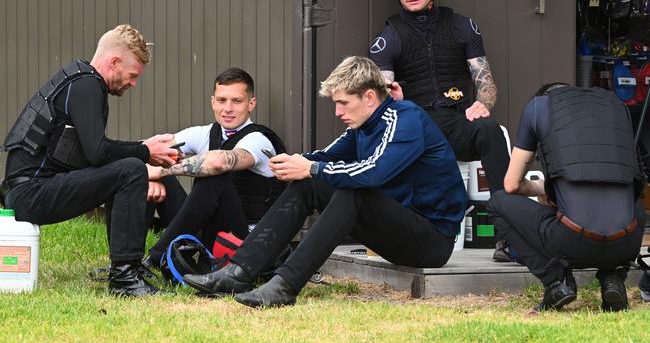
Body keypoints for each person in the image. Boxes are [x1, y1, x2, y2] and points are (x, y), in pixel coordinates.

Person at [177, 56, 467, 308]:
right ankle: (238, 272)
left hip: (432, 241)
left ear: (368, 97)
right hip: (396, 228)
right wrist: (288, 163)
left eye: (343, 103)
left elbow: (375, 171)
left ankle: (285, 286)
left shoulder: (405, 119)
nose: (338, 112)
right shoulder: (363, 125)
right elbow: (321, 157)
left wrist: (312, 167)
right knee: (309, 181)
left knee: (350, 191)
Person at [0, 24, 178, 297]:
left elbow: (94, 157)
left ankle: (127, 268)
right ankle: (124, 278)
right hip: (30, 194)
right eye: (132, 75)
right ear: (114, 61)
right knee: (130, 170)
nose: (133, 83)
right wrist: (145, 151)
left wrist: (146, 164)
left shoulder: (79, 81)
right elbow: (98, 153)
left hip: (28, 190)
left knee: (129, 170)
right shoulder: (86, 87)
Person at [369, 0, 511, 261]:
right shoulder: (388, 37)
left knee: (490, 131)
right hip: (418, 127)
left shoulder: (462, 26)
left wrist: (484, 103)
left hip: (457, 122)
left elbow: (485, 82)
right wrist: (393, 100)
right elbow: (377, 96)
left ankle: (509, 235)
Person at [488, 83, 646, 313]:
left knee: (498, 203)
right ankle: (614, 279)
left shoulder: (538, 108)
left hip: (573, 241)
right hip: (627, 241)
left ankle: (557, 282)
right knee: (632, 205)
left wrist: (544, 189)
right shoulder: (616, 107)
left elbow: (511, 185)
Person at [145, 68, 286, 269]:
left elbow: (219, 163)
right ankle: (127, 261)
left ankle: (153, 259)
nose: (228, 108)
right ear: (213, 102)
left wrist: (159, 171)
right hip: (208, 230)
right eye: (222, 100)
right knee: (139, 174)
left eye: (237, 101)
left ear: (251, 104)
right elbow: (147, 149)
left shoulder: (258, 140)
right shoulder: (203, 133)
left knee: (214, 177)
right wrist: (152, 175)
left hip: (245, 239)